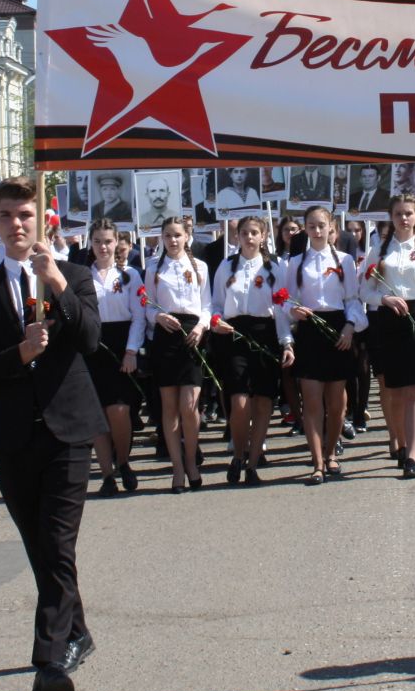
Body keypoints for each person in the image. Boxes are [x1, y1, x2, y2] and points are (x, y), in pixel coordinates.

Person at [0, 176, 105, 691]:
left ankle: (48, 663)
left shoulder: (74, 274)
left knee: (58, 543)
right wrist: (19, 355)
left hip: (68, 430)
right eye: (6, 216)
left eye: (25, 215)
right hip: (13, 433)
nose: (16, 224)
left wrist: (59, 286)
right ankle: (78, 631)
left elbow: (90, 339)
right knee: (40, 548)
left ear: (41, 219)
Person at [363, 193, 415, 480]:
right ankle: (397, 440)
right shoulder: (379, 251)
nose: (404, 219)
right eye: (398, 214)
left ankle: (412, 455)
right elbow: (364, 290)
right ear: (392, 217)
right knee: (395, 391)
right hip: (389, 321)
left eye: (408, 213)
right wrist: (384, 298)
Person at [210, 215, 294, 485]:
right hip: (235, 334)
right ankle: (238, 452)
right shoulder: (226, 266)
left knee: (263, 401)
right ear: (237, 236)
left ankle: (253, 462)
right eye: (244, 232)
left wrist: (286, 342)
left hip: (265, 333)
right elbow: (216, 304)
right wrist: (215, 320)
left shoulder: (275, 268)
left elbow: (282, 309)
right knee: (239, 400)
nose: (248, 237)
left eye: (254, 233)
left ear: (263, 236)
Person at [287, 206, 365, 483]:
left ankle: (331, 453)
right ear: (305, 228)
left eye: (321, 225)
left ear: (331, 227)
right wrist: (293, 311)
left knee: (335, 404)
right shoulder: (296, 262)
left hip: (336, 330)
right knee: (311, 402)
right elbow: (287, 300)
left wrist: (349, 326)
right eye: (311, 226)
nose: (317, 231)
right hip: (309, 330)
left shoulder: (344, 260)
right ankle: (317, 461)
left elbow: (353, 299)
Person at [145, 216, 212, 492]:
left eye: (177, 235)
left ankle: (191, 459)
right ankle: (177, 468)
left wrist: (200, 326)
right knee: (170, 407)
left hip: (191, 334)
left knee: (189, 405)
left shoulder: (201, 267)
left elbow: (208, 304)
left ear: (187, 237)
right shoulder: (153, 268)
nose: (173, 241)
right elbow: (146, 305)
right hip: (165, 335)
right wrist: (158, 316)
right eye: (168, 236)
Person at [83, 219, 145, 497]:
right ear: (90, 243)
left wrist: (131, 351)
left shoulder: (130, 275)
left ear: (117, 242)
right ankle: (107, 473)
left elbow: (139, 316)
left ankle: (123, 461)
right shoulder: (81, 276)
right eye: (97, 241)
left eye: (107, 241)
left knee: (119, 411)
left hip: (121, 346)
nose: (103, 247)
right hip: (92, 348)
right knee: (97, 415)